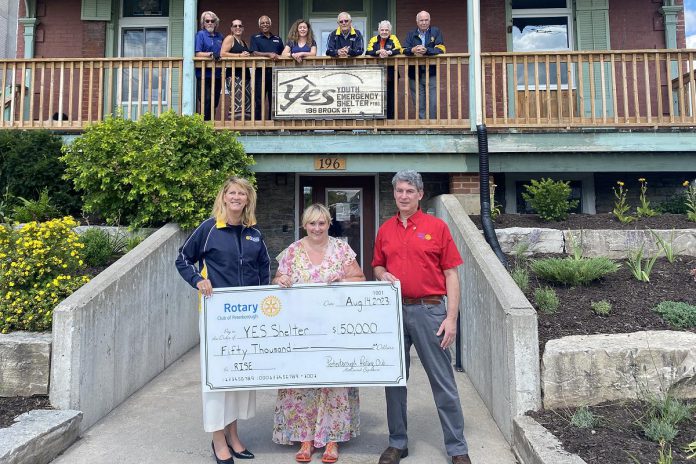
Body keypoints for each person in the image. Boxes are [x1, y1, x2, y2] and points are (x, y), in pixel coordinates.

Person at [372, 170, 470, 464]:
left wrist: (451, 318)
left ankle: (457, 448)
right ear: (394, 194)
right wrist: (382, 274)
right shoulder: (385, 229)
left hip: (430, 311)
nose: (403, 196)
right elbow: (377, 265)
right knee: (395, 380)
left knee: (443, 382)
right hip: (394, 313)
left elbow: (451, 274)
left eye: (409, 191)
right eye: (399, 191)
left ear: (419, 194)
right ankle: (397, 443)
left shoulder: (436, 227)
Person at [175, 176, 271, 464]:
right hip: (217, 315)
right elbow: (182, 258)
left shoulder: (254, 233)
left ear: (247, 200)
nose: (236, 197)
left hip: (248, 317)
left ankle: (234, 435)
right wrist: (197, 280)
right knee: (217, 377)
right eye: (232, 192)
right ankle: (218, 439)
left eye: (241, 193)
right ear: (224, 197)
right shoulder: (208, 229)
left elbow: (264, 268)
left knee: (240, 375)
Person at [272, 203, 365, 464]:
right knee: (301, 383)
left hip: (335, 330)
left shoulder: (341, 249)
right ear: (305, 225)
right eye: (312, 223)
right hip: (300, 331)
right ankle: (305, 438)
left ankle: (332, 439)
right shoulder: (292, 251)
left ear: (328, 223)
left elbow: (360, 279)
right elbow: (277, 279)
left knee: (333, 382)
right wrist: (280, 281)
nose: (317, 228)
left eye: (321, 223)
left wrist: (341, 282)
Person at [403, 11, 445, 119]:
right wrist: (413, 50)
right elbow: (403, 49)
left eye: (426, 20)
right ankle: (422, 127)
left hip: (431, 72)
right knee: (418, 101)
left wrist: (426, 50)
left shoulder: (435, 31)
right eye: (421, 20)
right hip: (414, 73)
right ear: (417, 22)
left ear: (429, 21)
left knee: (433, 101)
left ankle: (432, 127)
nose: (424, 22)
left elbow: (441, 49)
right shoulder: (410, 33)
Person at [366, 20, 402, 119]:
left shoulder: (393, 38)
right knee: (377, 98)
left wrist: (389, 52)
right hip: (376, 75)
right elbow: (368, 52)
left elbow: (399, 49)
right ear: (379, 30)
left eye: (386, 30)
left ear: (390, 31)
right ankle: (377, 123)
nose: (384, 32)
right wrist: (378, 51)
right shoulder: (374, 39)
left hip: (391, 74)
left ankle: (390, 124)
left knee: (391, 98)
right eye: (382, 30)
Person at [250, 15, 284, 120]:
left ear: (270, 24)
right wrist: (269, 54)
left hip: (275, 74)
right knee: (259, 100)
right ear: (259, 25)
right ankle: (258, 126)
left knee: (273, 101)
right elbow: (254, 53)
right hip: (261, 74)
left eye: (267, 23)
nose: (265, 25)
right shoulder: (255, 38)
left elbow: (283, 54)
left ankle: (272, 125)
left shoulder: (278, 39)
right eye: (263, 23)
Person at [195, 11, 225, 121]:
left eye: (212, 21)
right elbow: (197, 53)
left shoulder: (220, 36)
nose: (210, 23)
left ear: (216, 23)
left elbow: (223, 52)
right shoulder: (201, 35)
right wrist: (211, 54)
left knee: (215, 100)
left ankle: (210, 124)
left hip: (217, 74)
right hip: (204, 74)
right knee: (205, 99)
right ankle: (204, 125)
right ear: (203, 23)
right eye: (207, 21)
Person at [221, 19, 252, 119]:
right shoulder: (230, 38)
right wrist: (239, 55)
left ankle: (244, 130)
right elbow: (223, 54)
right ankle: (234, 128)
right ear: (231, 28)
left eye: (240, 26)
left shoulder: (244, 42)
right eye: (235, 26)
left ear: (243, 28)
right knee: (237, 102)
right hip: (234, 76)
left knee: (246, 103)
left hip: (246, 76)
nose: (238, 28)